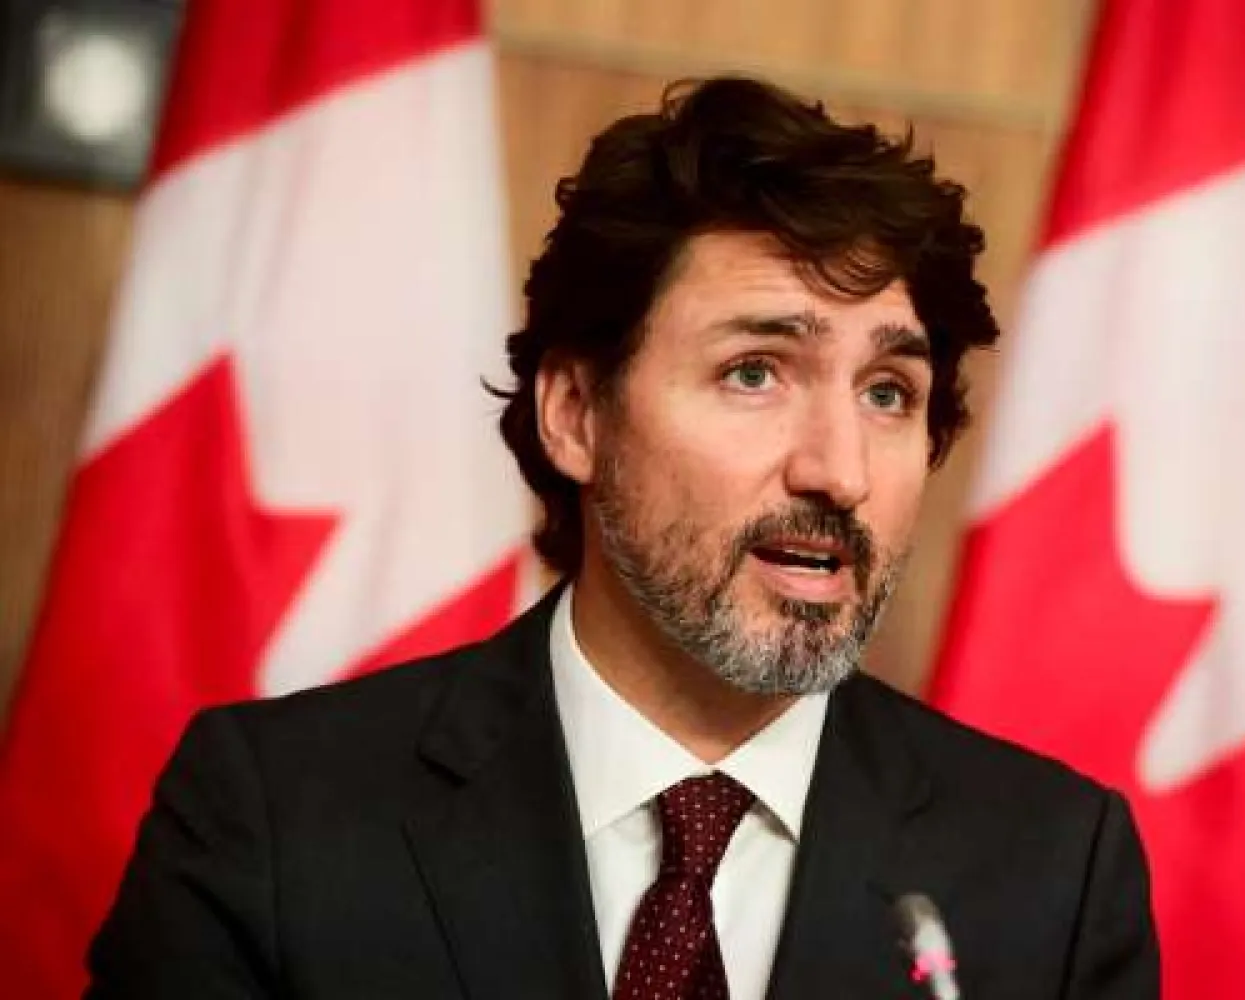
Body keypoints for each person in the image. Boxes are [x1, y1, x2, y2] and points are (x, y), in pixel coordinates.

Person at [87, 76, 1159, 999]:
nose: (837, 468)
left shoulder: (1053, 872)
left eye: (888, 391)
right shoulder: (279, 818)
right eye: (756, 371)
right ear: (576, 414)